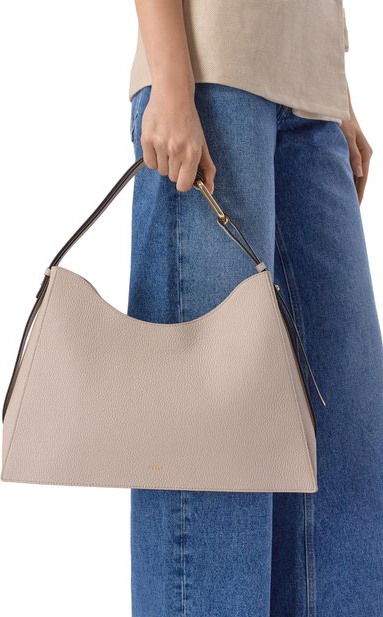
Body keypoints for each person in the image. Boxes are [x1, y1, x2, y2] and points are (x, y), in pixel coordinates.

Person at [126, 2, 383, 616]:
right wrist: (171, 79)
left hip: (312, 94)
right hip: (209, 75)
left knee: (346, 453)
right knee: (215, 455)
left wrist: (336, 92)